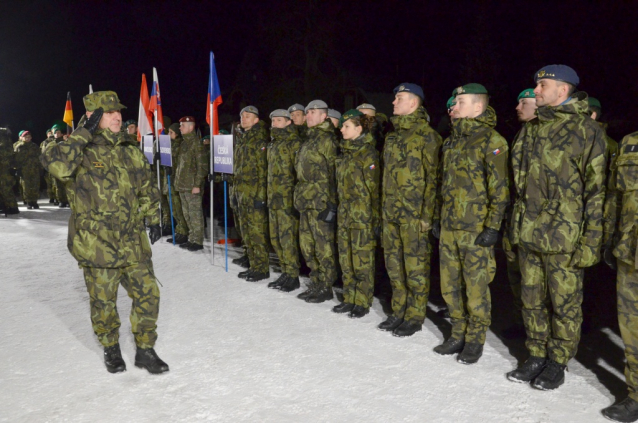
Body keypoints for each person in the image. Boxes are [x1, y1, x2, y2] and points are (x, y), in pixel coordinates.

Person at [40, 91, 168, 374]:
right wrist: (83, 132)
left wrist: (155, 217)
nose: (117, 117)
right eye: (108, 113)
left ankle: (145, 350)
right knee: (104, 302)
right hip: (97, 243)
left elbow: (146, 187)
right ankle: (111, 348)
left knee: (149, 294)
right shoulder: (77, 151)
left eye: (118, 112)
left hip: (133, 240)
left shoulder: (129, 148)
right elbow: (57, 166)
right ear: (93, 117)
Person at [507, 65, 606, 390]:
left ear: (562, 90)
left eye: (542, 85)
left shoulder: (586, 132)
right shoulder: (532, 129)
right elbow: (519, 184)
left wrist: (591, 241)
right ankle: (535, 354)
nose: (535, 91)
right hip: (530, 234)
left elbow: (596, 192)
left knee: (564, 304)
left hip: (565, 238)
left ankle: (557, 361)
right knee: (531, 299)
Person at [433, 83, 509, 364]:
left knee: (476, 288)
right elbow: (443, 185)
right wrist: (437, 219)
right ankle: (457, 333)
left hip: (475, 229)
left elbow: (499, 188)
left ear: (478, 107)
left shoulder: (493, 141)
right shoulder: (451, 141)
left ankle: (475, 339)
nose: (454, 105)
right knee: (449, 285)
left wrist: (493, 226)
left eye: (461, 101)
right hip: (450, 227)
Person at [379, 83, 442, 337]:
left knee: (415, 268)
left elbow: (433, 180)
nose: (394, 102)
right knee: (394, 266)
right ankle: (398, 311)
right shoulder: (392, 137)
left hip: (414, 217)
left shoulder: (428, 137)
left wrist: (428, 217)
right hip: (391, 214)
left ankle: (414, 316)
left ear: (414, 103)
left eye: (399, 98)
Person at [600, 131, 638, 422]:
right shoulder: (629, 142)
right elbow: (615, 197)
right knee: (632, 329)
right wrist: (610, 239)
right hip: (630, 251)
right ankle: (636, 395)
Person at [332, 109, 380, 318]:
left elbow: (375, 189)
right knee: (346, 259)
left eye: (346, 126)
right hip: (345, 214)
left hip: (362, 215)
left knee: (362, 260)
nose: (341, 130)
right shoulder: (345, 153)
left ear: (359, 129)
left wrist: (375, 218)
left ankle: (362, 300)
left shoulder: (369, 154)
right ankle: (349, 297)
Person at [501, 88, 538, 339]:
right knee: (516, 277)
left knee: (534, 284)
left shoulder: (544, 136)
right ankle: (521, 323)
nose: (518, 107)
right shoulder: (521, 134)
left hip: (536, 223)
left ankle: (537, 333)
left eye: (524, 102)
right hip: (515, 218)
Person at [294, 100, 339, 303]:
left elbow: (334, 173)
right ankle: (316, 282)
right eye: (307, 112)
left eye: (313, 112)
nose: (308, 115)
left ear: (324, 117)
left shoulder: (328, 140)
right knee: (308, 246)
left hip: (320, 201)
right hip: (306, 201)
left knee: (323, 247)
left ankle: (326, 285)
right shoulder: (309, 139)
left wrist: (331, 204)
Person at [266, 109, 302, 292]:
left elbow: (299, 174)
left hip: (287, 199)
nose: (274, 123)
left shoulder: (294, 144)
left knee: (288, 239)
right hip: (273, 199)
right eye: (273, 120)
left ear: (288, 122)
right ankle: (285, 271)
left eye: (279, 120)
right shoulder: (273, 144)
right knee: (276, 238)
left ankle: (293, 275)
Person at [234, 106, 270, 281]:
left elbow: (263, 172)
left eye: (248, 116)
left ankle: (261, 268)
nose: (244, 119)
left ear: (256, 120)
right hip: (242, 194)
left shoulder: (259, 140)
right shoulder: (243, 140)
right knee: (246, 231)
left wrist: (261, 197)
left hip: (254, 194)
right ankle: (253, 263)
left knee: (257, 233)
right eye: (242, 116)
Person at [174, 116, 208, 251]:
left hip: (192, 186)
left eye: (182, 125)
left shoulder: (197, 144)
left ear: (191, 127)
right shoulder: (184, 143)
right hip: (182, 184)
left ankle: (197, 241)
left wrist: (197, 185)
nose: (180, 128)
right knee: (186, 213)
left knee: (195, 214)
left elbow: (202, 167)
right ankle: (191, 238)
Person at [163, 122, 188, 244]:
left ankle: (183, 231)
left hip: (175, 181)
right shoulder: (170, 145)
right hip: (169, 181)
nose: (169, 134)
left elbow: (179, 163)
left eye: (171, 132)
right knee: (174, 209)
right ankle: (179, 230)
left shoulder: (180, 146)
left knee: (178, 208)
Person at [14, 131, 42, 209]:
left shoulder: (34, 146)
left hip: (35, 169)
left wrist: (41, 168)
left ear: (31, 138)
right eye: (26, 137)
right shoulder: (19, 147)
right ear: (22, 138)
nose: (27, 138)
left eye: (29, 137)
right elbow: (16, 159)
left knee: (35, 185)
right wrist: (17, 169)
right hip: (24, 171)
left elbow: (40, 157)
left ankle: (35, 201)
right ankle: (29, 202)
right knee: (26, 187)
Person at [0, 127, 19, 215]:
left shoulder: (5, 139)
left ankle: (12, 207)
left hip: (5, 167)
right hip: (4, 166)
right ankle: (4, 206)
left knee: (5, 187)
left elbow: (7, 154)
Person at [51, 124, 70, 208]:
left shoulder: (66, 141)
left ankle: (68, 200)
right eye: (56, 133)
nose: (57, 134)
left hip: (66, 166)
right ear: (53, 135)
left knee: (67, 185)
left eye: (59, 132)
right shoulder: (51, 143)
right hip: (56, 167)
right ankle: (61, 200)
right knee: (58, 185)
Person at [41, 129, 58, 204]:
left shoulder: (57, 141)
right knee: (49, 183)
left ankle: (57, 197)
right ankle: (51, 197)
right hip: (48, 165)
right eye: (49, 133)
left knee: (55, 183)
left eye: (51, 133)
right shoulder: (45, 142)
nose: (50, 134)